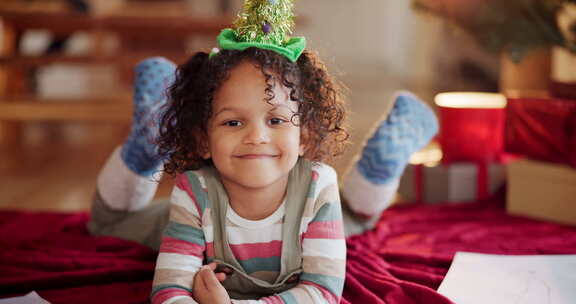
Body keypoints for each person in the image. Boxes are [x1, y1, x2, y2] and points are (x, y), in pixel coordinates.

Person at [87, 1, 438, 303]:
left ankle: (382, 162)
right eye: (232, 123)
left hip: (306, 202)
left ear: (305, 136)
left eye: (276, 120)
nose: (256, 136)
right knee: (108, 225)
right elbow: (167, 288)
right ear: (202, 139)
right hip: (192, 214)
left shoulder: (317, 184)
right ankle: (150, 141)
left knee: (352, 220)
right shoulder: (193, 189)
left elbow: (323, 291)